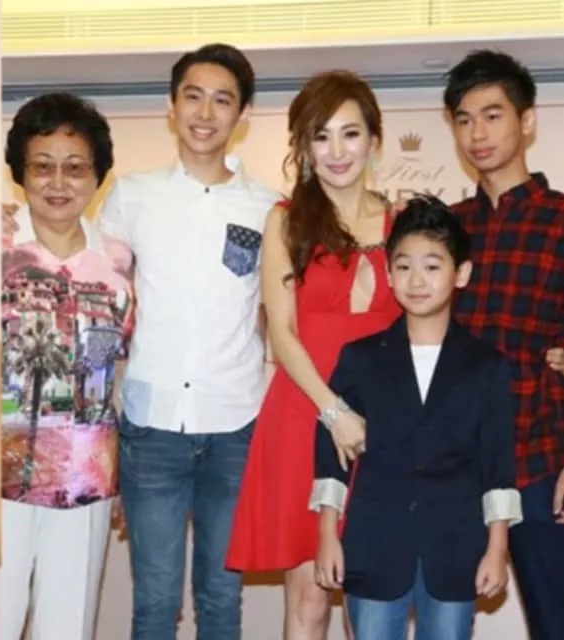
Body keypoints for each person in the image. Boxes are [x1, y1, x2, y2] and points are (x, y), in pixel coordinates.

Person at [4, 43, 279, 638]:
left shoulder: (268, 208)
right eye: (193, 97)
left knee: (222, 597)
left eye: (222, 100)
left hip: (235, 423)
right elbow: (93, 283)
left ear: (243, 114)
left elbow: (276, 316)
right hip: (151, 428)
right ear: (171, 107)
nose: (205, 113)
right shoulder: (131, 197)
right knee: (154, 602)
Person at [226, 70, 399, 639]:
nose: (337, 151)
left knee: (373, 599)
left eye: (350, 133)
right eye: (321, 136)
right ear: (303, 146)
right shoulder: (286, 220)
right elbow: (282, 332)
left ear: (374, 139)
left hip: (384, 424)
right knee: (309, 597)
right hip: (305, 414)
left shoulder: (402, 223)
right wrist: (333, 411)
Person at [311, 195, 523, 639]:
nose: (417, 280)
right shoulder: (360, 359)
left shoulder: (487, 366)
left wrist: (497, 547)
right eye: (404, 266)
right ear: (389, 275)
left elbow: (498, 464)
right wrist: (328, 535)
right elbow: (331, 457)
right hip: (374, 544)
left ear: (461, 273)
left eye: (432, 265)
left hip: (456, 549)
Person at [0, 92, 134, 640]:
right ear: (20, 172)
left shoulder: (120, 261)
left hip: (85, 475)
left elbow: (122, 373)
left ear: (98, 175)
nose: (58, 183)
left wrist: (124, 472)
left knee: (68, 628)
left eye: (75, 168)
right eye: (43, 167)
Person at [441, 49, 564, 639]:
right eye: (464, 120)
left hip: (542, 458)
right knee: (442, 619)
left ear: (527, 121)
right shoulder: (445, 228)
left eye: (493, 115)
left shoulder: (560, 221)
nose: (478, 134)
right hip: (455, 463)